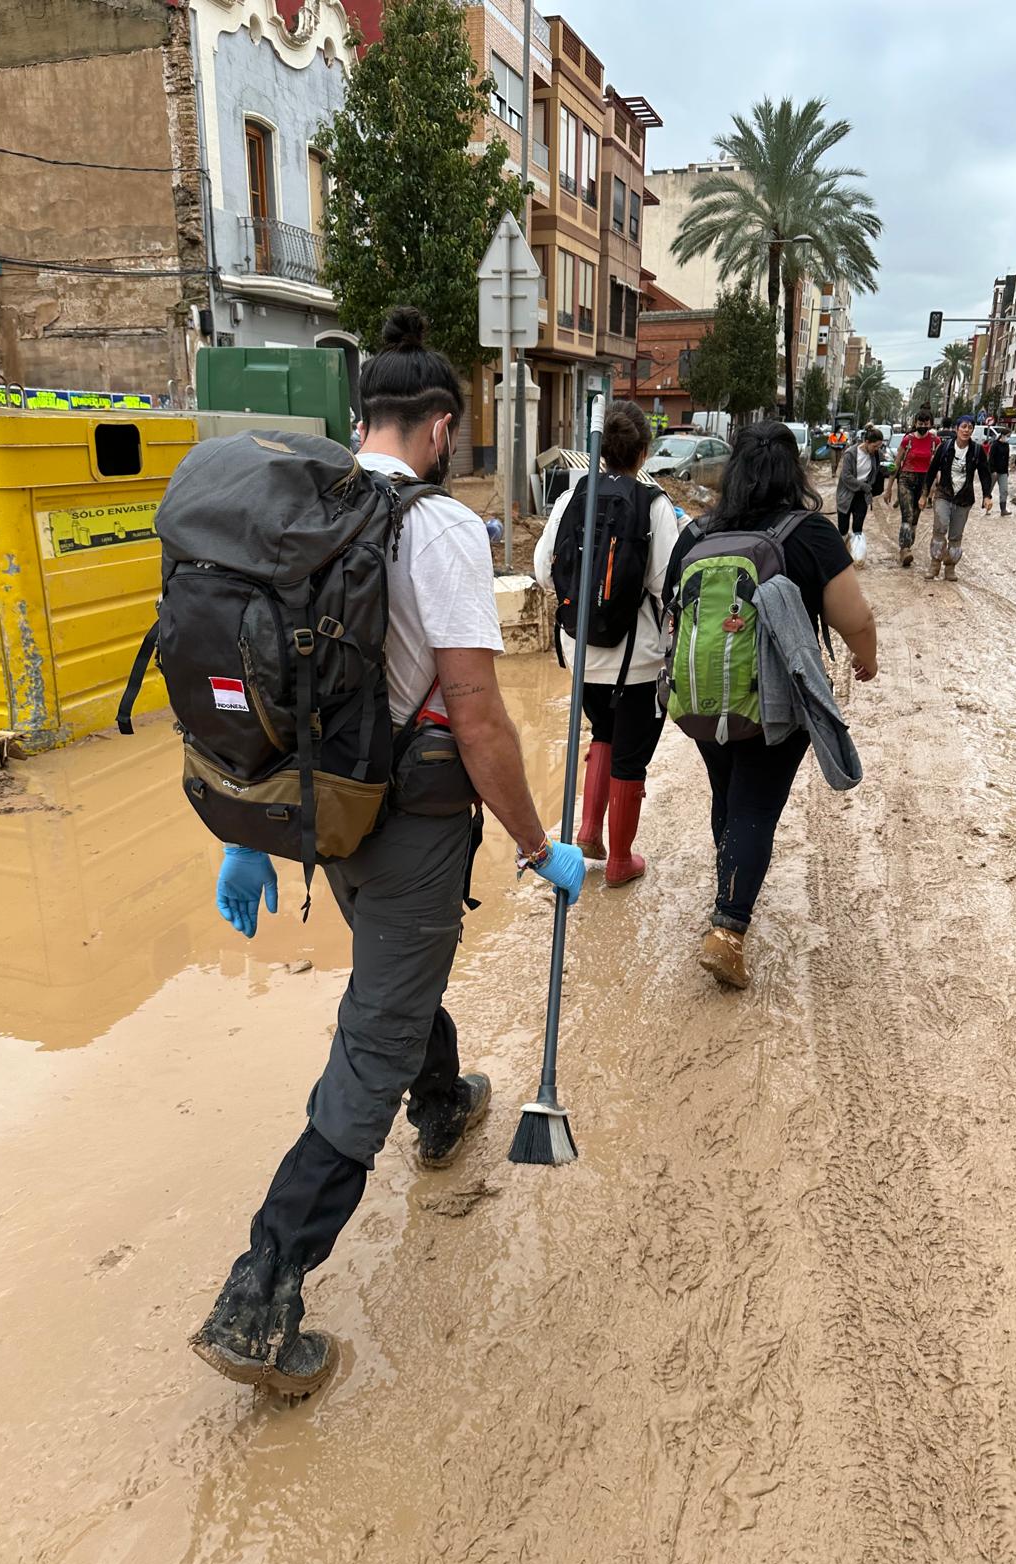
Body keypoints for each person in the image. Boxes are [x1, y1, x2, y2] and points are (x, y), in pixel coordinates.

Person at [192, 308, 585, 1397]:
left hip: (315, 813)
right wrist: (536, 843)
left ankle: (445, 1100)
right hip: (404, 820)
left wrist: (249, 834)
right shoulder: (444, 528)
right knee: (372, 1038)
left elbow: (246, 685)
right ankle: (260, 1296)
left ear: (359, 415)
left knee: (396, 983)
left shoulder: (297, 506)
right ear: (443, 427)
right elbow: (477, 713)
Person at [663, 421, 878, 989]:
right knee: (755, 804)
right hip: (773, 706)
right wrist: (868, 657)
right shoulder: (810, 532)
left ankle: (728, 883)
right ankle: (728, 929)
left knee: (728, 793)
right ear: (795, 472)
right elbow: (852, 616)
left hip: (701, 702)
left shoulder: (697, 534)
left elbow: (670, 606)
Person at [534, 400, 678, 886]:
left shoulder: (574, 496)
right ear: (643, 451)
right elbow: (666, 583)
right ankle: (620, 862)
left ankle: (589, 832)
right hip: (635, 663)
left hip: (580, 655)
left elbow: (541, 568)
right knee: (630, 755)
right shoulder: (654, 504)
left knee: (602, 733)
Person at [920, 414, 992, 580]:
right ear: (956, 429)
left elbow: (985, 474)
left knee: (956, 535)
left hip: (964, 498)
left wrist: (987, 496)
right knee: (940, 528)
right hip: (944, 494)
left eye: (970, 427)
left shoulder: (977, 450)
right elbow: (931, 472)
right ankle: (934, 564)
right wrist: (924, 495)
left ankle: (950, 567)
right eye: (963, 427)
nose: (966, 430)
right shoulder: (945, 448)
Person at [889, 410, 940, 566]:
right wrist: (889, 487)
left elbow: (937, 466)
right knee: (907, 515)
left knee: (915, 519)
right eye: (920, 423)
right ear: (915, 423)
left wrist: (936, 484)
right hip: (906, 479)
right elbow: (896, 464)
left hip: (924, 482)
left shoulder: (935, 441)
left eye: (926, 423)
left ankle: (908, 547)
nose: (923, 426)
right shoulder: (907, 440)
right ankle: (904, 549)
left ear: (930, 424)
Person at [835, 425, 883, 558]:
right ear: (867, 442)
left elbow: (880, 469)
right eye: (875, 446)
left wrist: (889, 469)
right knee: (843, 529)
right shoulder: (850, 454)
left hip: (862, 496)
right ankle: (842, 556)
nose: (876, 450)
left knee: (858, 528)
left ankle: (856, 558)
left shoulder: (876, 455)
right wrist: (863, 486)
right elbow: (846, 476)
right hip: (846, 495)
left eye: (879, 447)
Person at [985, 429, 1012, 516]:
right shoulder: (995, 445)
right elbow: (991, 458)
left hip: (1003, 472)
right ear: (1002, 435)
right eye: (1008, 436)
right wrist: (993, 470)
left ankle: (1003, 510)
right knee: (989, 490)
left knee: (1004, 491)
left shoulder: (1007, 445)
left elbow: (1007, 459)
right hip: (994, 472)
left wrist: (1007, 471)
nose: (1008, 438)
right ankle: (986, 508)